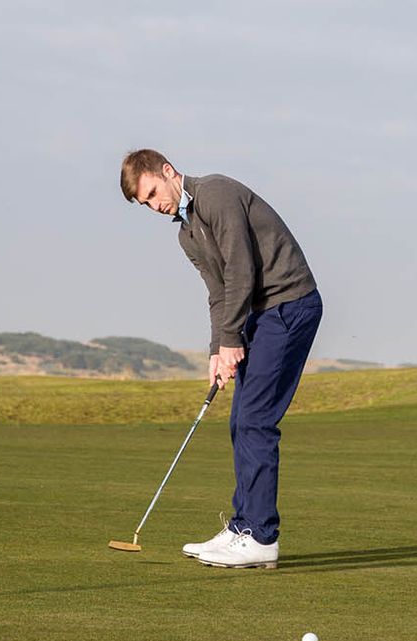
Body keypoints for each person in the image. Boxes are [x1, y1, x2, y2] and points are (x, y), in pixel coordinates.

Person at [119, 148, 323, 569]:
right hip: (260, 315)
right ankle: (243, 527)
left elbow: (241, 270)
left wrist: (233, 338)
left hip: (289, 304)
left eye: (154, 193)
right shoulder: (186, 234)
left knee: (256, 419)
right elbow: (219, 293)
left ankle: (261, 536)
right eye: (146, 204)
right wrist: (218, 349)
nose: (156, 206)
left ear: (168, 171)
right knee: (240, 420)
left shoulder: (215, 194)